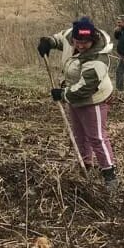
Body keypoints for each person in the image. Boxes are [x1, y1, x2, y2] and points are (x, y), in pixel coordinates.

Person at [38, 17, 119, 192]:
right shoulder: (71, 36)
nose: (80, 46)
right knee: (79, 135)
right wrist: (49, 42)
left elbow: (85, 88)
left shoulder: (98, 58)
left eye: (85, 43)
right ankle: (85, 165)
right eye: (78, 42)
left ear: (93, 40)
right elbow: (61, 38)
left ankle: (109, 173)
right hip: (74, 98)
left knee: (96, 136)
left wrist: (63, 94)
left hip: (94, 99)